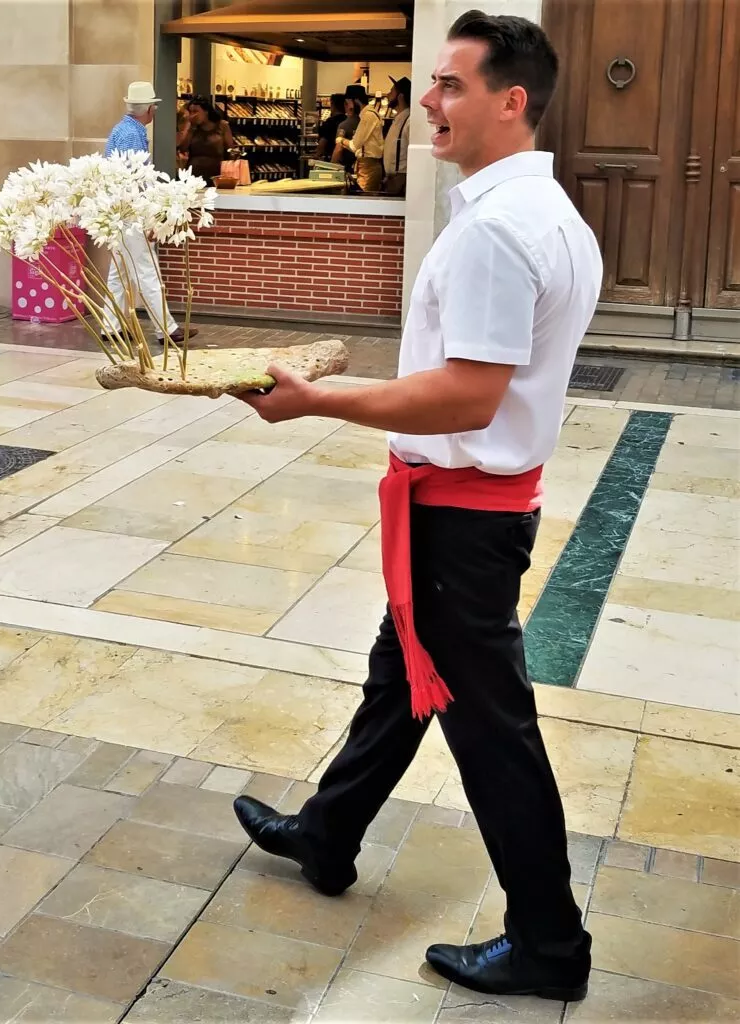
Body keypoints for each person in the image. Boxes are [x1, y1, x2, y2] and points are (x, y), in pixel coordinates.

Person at [232, 9, 603, 1005]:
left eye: (449, 84)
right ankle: (327, 832)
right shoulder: (549, 213)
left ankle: (550, 942)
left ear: (509, 100)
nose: (426, 101)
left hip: (463, 519)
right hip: (471, 510)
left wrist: (314, 401)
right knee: (401, 677)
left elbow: (465, 396)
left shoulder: (497, 229)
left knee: (491, 728)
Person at [102, 81, 196, 346]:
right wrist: (151, 216)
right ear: (148, 110)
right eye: (154, 105)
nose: (155, 110)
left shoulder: (121, 130)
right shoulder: (134, 134)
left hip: (117, 210)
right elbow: (139, 179)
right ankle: (166, 329)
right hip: (131, 211)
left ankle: (111, 325)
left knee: (119, 272)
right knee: (147, 269)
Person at [336, 85, 384, 192]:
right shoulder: (368, 115)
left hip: (368, 167)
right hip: (367, 166)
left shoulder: (368, 116)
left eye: (349, 103)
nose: (349, 107)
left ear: (356, 101)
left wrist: (341, 140)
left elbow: (354, 145)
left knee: (364, 200)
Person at [181, 97, 235, 183]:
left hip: (216, 174)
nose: (192, 115)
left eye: (195, 111)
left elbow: (230, 150)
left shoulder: (222, 126)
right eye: (190, 112)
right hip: (194, 175)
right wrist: (191, 128)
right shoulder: (192, 127)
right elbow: (183, 148)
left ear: (206, 112)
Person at [383, 76, 411, 196]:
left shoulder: (409, 121)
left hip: (401, 180)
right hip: (392, 179)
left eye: (391, 92)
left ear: (400, 97)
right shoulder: (398, 120)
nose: (388, 95)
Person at [331, 95, 360, 170]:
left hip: (348, 166)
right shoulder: (364, 123)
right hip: (362, 164)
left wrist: (331, 166)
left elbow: (339, 148)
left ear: (346, 105)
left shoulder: (344, 125)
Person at [314, 94, 346, 161]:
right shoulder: (347, 120)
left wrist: (316, 155)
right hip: (345, 158)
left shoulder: (330, 122)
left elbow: (323, 141)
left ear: (332, 104)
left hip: (331, 158)